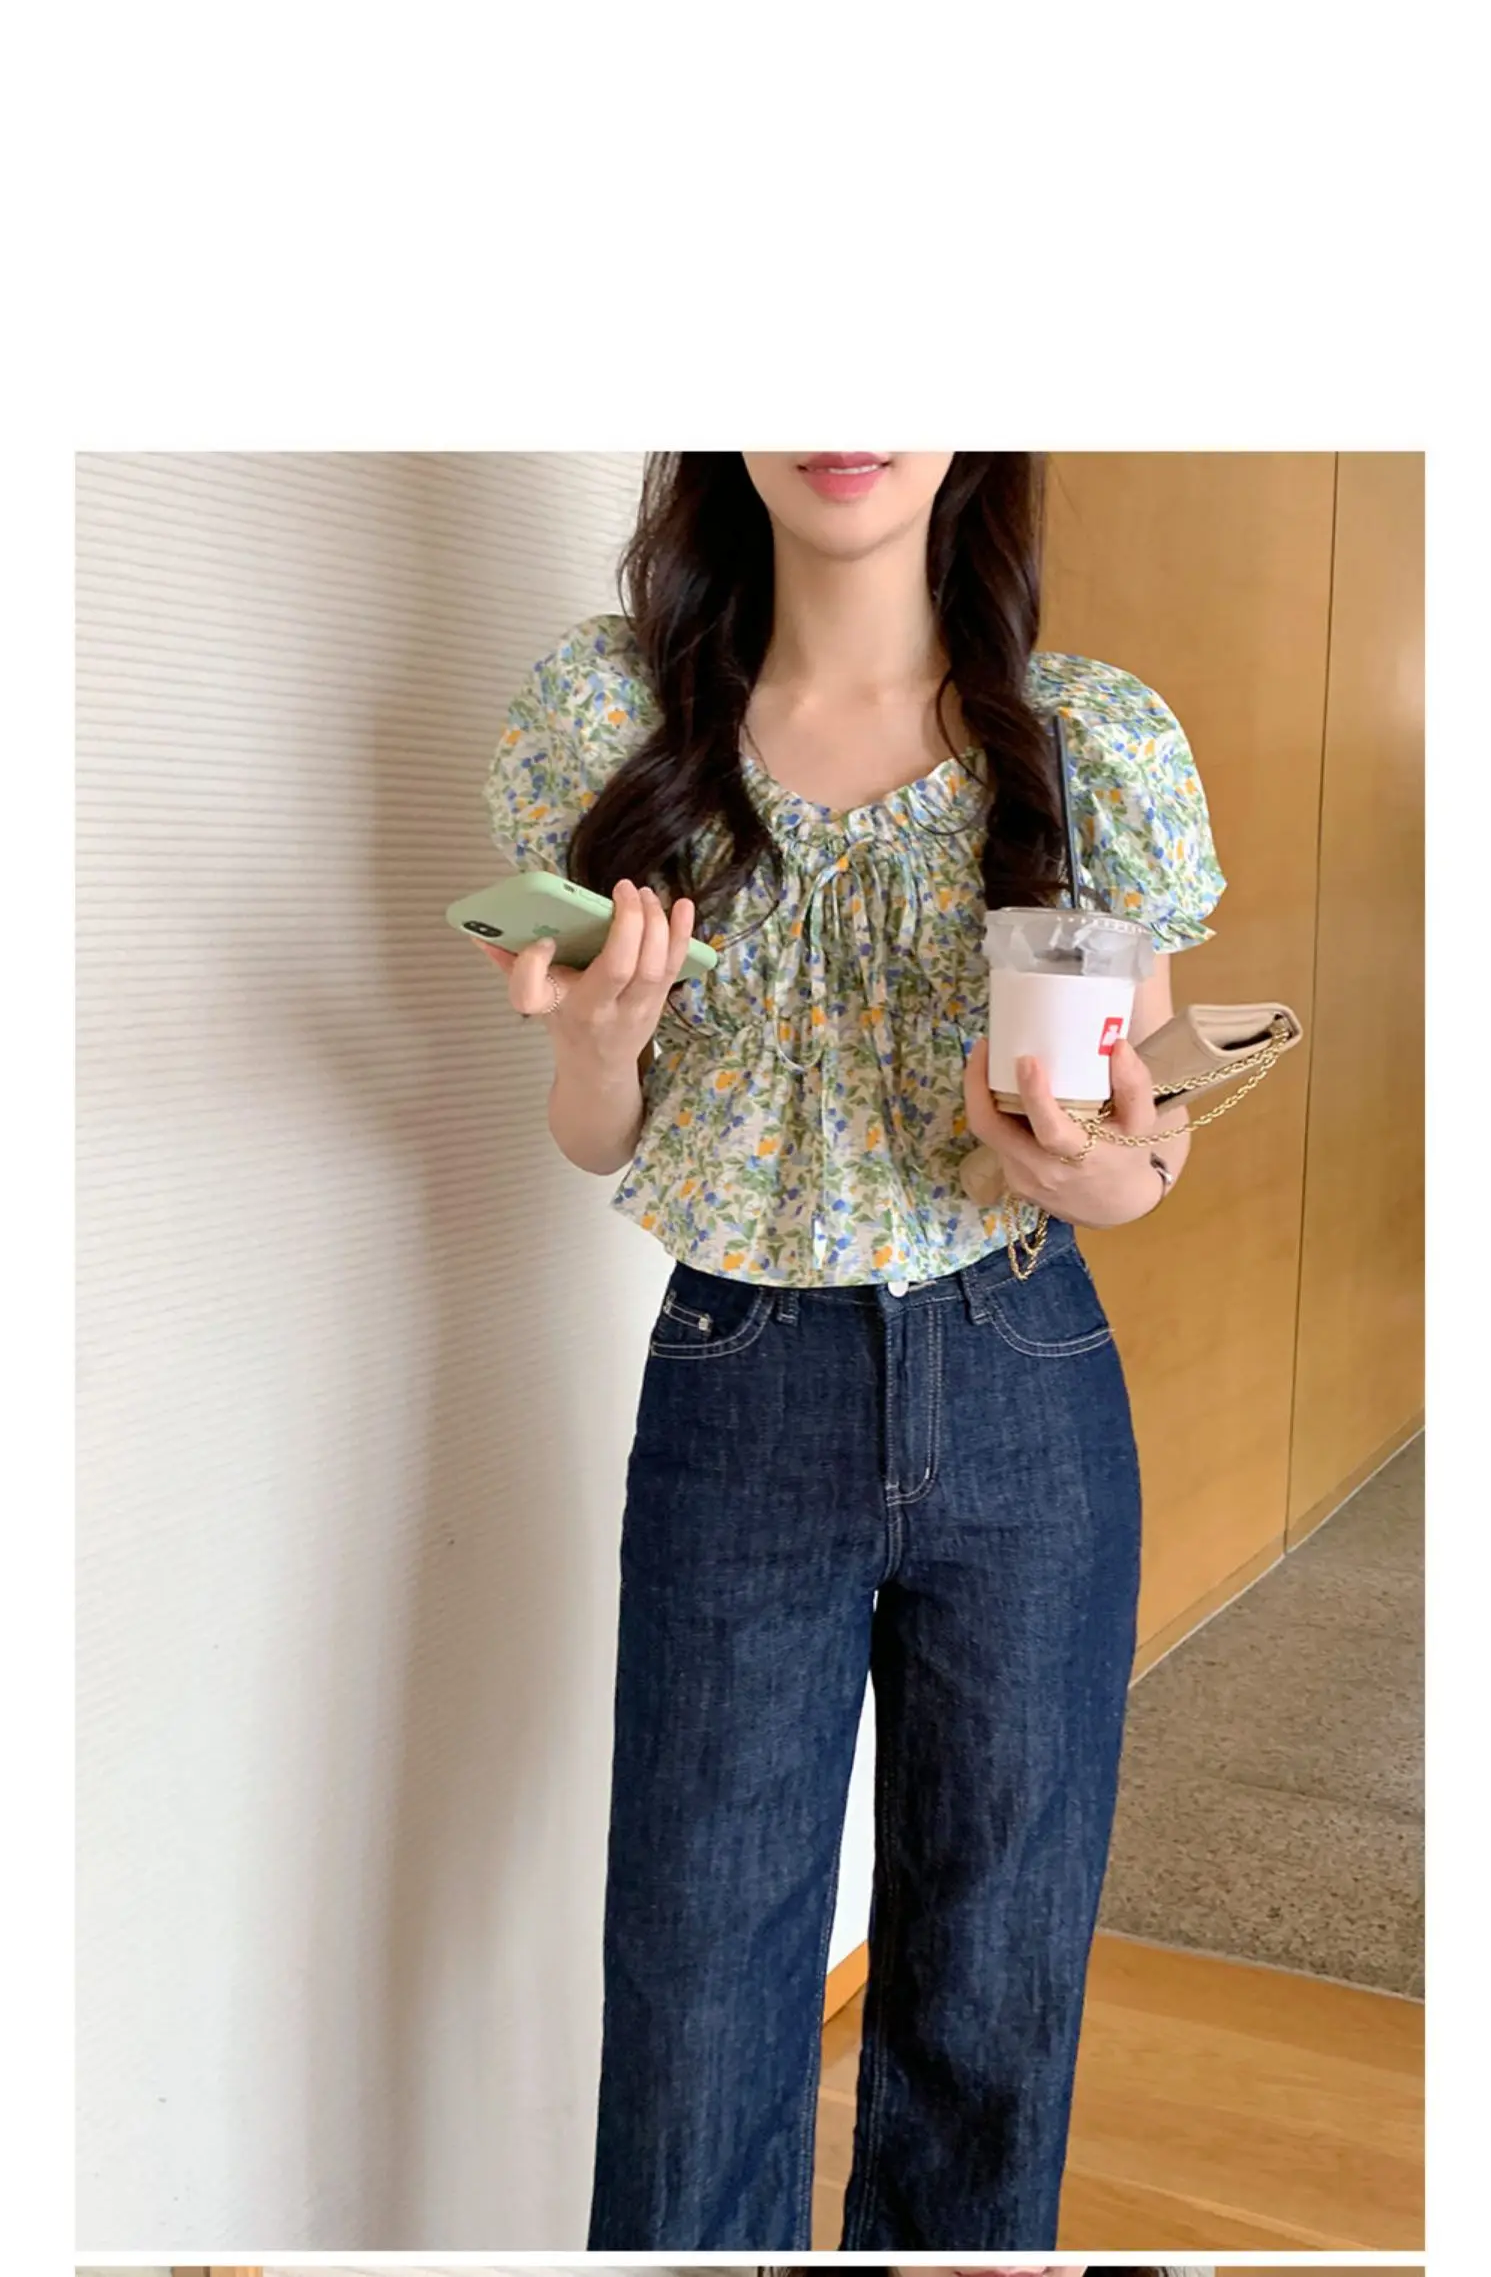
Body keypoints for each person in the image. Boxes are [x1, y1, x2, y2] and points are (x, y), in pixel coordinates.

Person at [477, 453, 1226, 2250]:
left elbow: (1150, 1145)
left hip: (1025, 1363)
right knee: (697, 1977)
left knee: (997, 1980)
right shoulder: (615, 719)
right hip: (743, 1379)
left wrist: (1098, 1165)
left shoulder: (1091, 741)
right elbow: (598, 1131)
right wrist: (598, 1045)